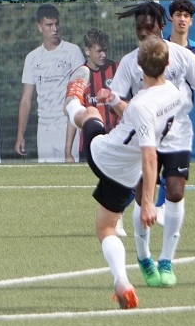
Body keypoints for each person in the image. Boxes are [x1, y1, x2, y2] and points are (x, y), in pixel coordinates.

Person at [106, 1, 195, 287]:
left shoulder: (182, 56)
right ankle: (144, 257)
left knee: (174, 192)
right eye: (139, 28)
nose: (143, 32)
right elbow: (117, 98)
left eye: (148, 27)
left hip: (177, 135)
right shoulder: (130, 61)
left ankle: (166, 260)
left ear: (161, 26)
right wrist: (123, 110)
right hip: (143, 137)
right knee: (143, 198)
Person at [67, 35, 183, 308]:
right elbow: (140, 120)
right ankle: (121, 282)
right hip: (127, 174)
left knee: (90, 112)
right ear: (167, 64)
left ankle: (71, 97)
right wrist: (115, 100)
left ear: (139, 67)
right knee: (107, 227)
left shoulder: (142, 103)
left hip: (103, 156)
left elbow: (150, 156)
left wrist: (147, 204)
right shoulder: (173, 95)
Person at [65, 27, 126, 236]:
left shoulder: (116, 70)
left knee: (118, 177)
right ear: (87, 50)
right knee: (110, 178)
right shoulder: (80, 74)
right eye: (99, 50)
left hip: (117, 138)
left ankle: (116, 219)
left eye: (105, 50)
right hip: (92, 140)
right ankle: (114, 218)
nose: (103, 55)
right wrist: (68, 150)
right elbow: (74, 117)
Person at [154, 0, 195, 225]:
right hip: (155, 116)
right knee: (142, 173)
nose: (182, 19)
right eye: (178, 15)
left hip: (179, 119)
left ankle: (161, 207)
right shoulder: (159, 47)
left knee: (172, 169)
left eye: (186, 16)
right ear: (170, 19)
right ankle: (119, 210)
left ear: (191, 21)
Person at [15, 4, 84, 162]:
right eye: (49, 25)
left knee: (69, 174)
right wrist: (20, 135)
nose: (54, 29)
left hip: (67, 126)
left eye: (56, 24)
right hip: (44, 128)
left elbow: (80, 93)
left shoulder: (72, 51)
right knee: (48, 175)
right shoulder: (32, 58)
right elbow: (26, 100)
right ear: (39, 27)